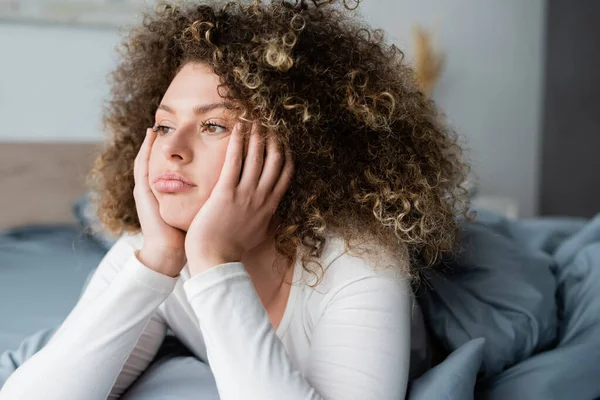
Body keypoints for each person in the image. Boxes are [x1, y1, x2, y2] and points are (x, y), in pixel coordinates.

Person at [0, 0, 469, 399]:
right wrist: (157, 261)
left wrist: (214, 262)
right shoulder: (154, 251)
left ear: (298, 143)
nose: (172, 148)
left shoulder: (361, 261)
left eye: (213, 126)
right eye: (163, 124)